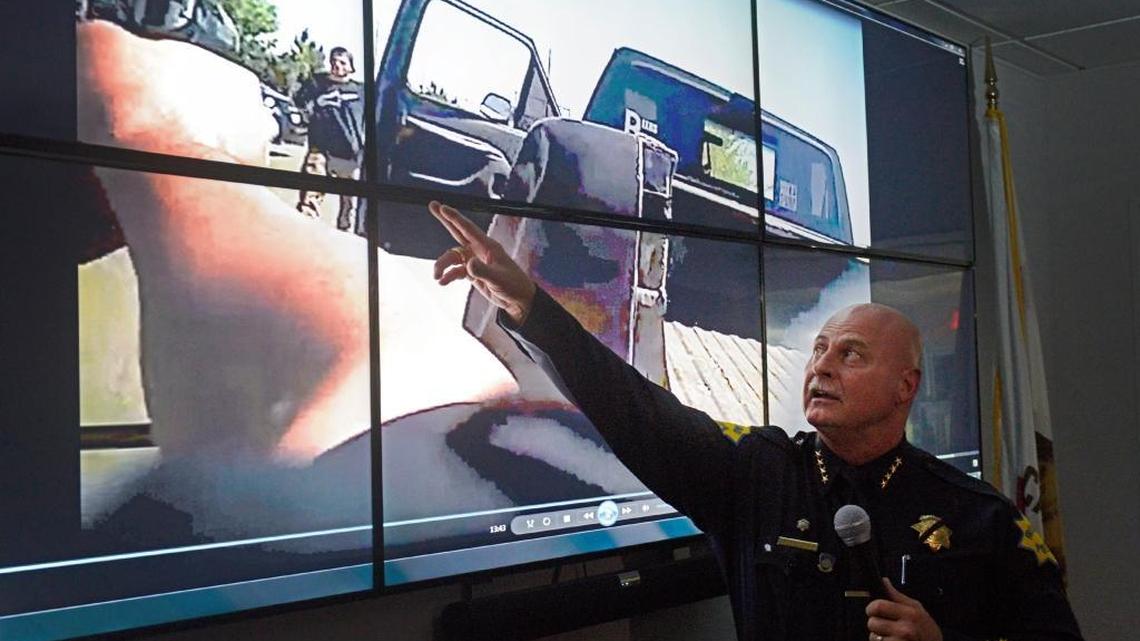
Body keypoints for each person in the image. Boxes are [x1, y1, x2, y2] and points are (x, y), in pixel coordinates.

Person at [427, 201, 1083, 641]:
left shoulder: (982, 518)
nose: (821, 365)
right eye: (820, 348)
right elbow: (630, 404)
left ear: (905, 386)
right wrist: (527, 303)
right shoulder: (752, 474)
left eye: (850, 354)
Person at [294, 46, 366, 234]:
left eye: (343, 62)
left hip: (350, 153)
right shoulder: (317, 84)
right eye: (334, 61)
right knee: (310, 195)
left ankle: (345, 239)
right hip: (320, 149)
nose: (337, 65)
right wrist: (315, 104)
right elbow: (299, 102)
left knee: (350, 206)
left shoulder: (361, 91)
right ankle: (303, 232)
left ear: (351, 67)